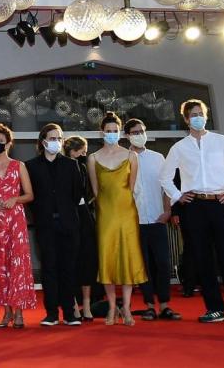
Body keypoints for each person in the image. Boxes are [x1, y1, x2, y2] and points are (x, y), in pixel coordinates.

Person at [160, 99, 224, 325]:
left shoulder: (221, 141)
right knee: (202, 259)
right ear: (186, 119)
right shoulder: (179, 147)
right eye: (193, 115)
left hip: (219, 204)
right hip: (194, 207)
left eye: (201, 113)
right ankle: (214, 309)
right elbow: (165, 177)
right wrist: (177, 196)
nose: (198, 117)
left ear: (206, 116)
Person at [89, 112, 147, 326]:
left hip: (126, 213)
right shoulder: (93, 158)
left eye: (115, 131)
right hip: (105, 215)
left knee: (128, 258)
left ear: (120, 133)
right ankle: (112, 307)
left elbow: (131, 188)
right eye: (108, 131)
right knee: (108, 258)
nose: (112, 134)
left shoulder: (131, 156)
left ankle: (127, 308)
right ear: (101, 132)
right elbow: (96, 191)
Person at [24, 123, 84, 326]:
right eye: (52, 138)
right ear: (43, 141)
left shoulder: (70, 164)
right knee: (49, 267)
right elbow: (30, 196)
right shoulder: (31, 166)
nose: (56, 142)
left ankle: (69, 312)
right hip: (45, 224)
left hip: (68, 224)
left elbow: (77, 194)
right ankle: (51, 313)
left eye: (59, 138)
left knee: (68, 268)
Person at [126, 119, 180, 321]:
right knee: (144, 265)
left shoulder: (158, 158)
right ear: (127, 136)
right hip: (135, 220)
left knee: (163, 263)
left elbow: (167, 187)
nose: (139, 134)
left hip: (158, 218)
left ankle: (165, 304)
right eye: (134, 132)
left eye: (141, 131)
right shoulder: (124, 159)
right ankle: (149, 305)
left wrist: (167, 210)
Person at [0, 124, 36, 328]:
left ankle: (19, 312)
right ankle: (6, 313)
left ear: (8, 144)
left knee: (17, 264)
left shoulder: (19, 166)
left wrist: (16, 199)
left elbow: (30, 194)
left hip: (15, 220)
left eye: (2, 141)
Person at [66, 135, 98, 321]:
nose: (84, 155)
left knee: (87, 260)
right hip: (68, 217)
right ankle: (72, 305)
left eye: (85, 152)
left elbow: (90, 192)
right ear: (72, 151)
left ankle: (86, 304)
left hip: (84, 216)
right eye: (81, 152)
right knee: (71, 262)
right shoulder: (62, 167)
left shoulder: (85, 167)